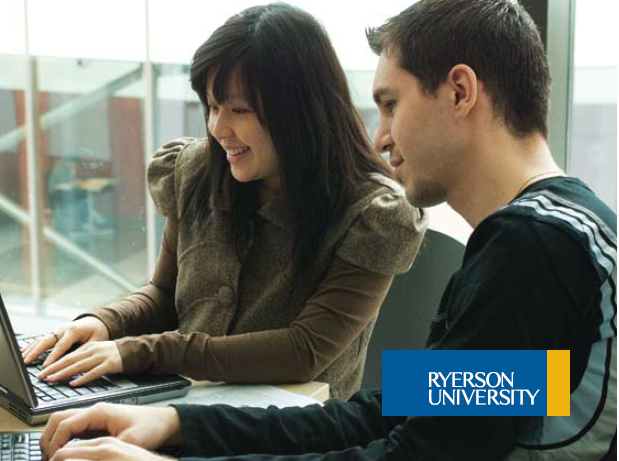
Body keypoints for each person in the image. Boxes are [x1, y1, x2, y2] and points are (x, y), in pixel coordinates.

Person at [37, 0, 617, 460]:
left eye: (391, 105)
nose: (382, 136)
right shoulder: (556, 229)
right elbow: (390, 414)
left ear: (461, 92)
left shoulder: (531, 253)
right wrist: (175, 424)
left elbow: (413, 454)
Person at [22, 3, 426, 401]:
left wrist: (139, 353)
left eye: (238, 110)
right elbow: (164, 294)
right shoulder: (195, 169)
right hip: (182, 404)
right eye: (213, 107)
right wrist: (104, 323)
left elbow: (304, 351)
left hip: (292, 432)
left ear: (299, 112)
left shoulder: (373, 213)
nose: (218, 128)